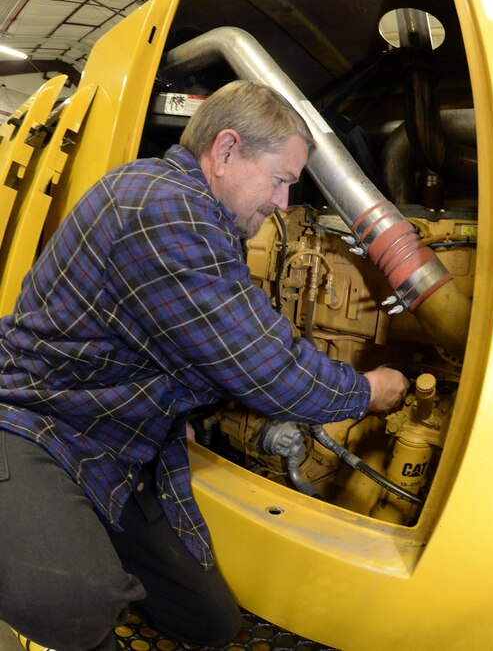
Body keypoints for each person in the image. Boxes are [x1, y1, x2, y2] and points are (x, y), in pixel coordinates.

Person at [0, 80, 408, 651]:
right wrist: (368, 391)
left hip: (114, 440)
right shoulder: (162, 208)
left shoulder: (198, 213)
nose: (283, 204)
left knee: (210, 623)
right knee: (74, 609)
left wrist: (185, 408)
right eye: (281, 180)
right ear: (226, 151)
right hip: (33, 425)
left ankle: (70, 533)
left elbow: (201, 345)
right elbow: (271, 370)